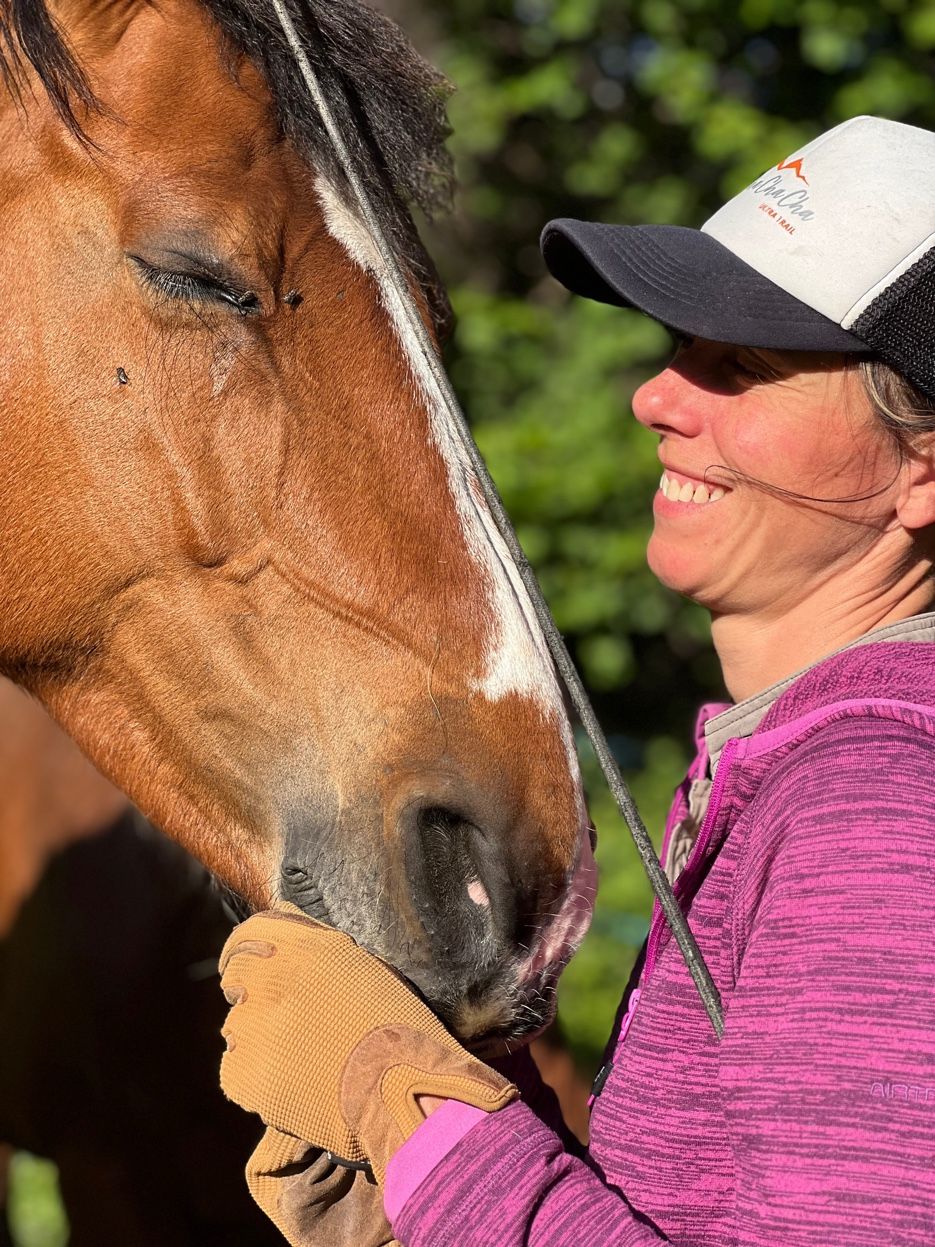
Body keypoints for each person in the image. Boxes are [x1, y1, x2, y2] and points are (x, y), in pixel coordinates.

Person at [217, 114, 935, 1246]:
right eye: (676, 344)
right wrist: (476, 1114)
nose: (657, 397)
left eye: (738, 365)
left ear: (919, 475)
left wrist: (408, 1115)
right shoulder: (803, 764)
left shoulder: (875, 810)